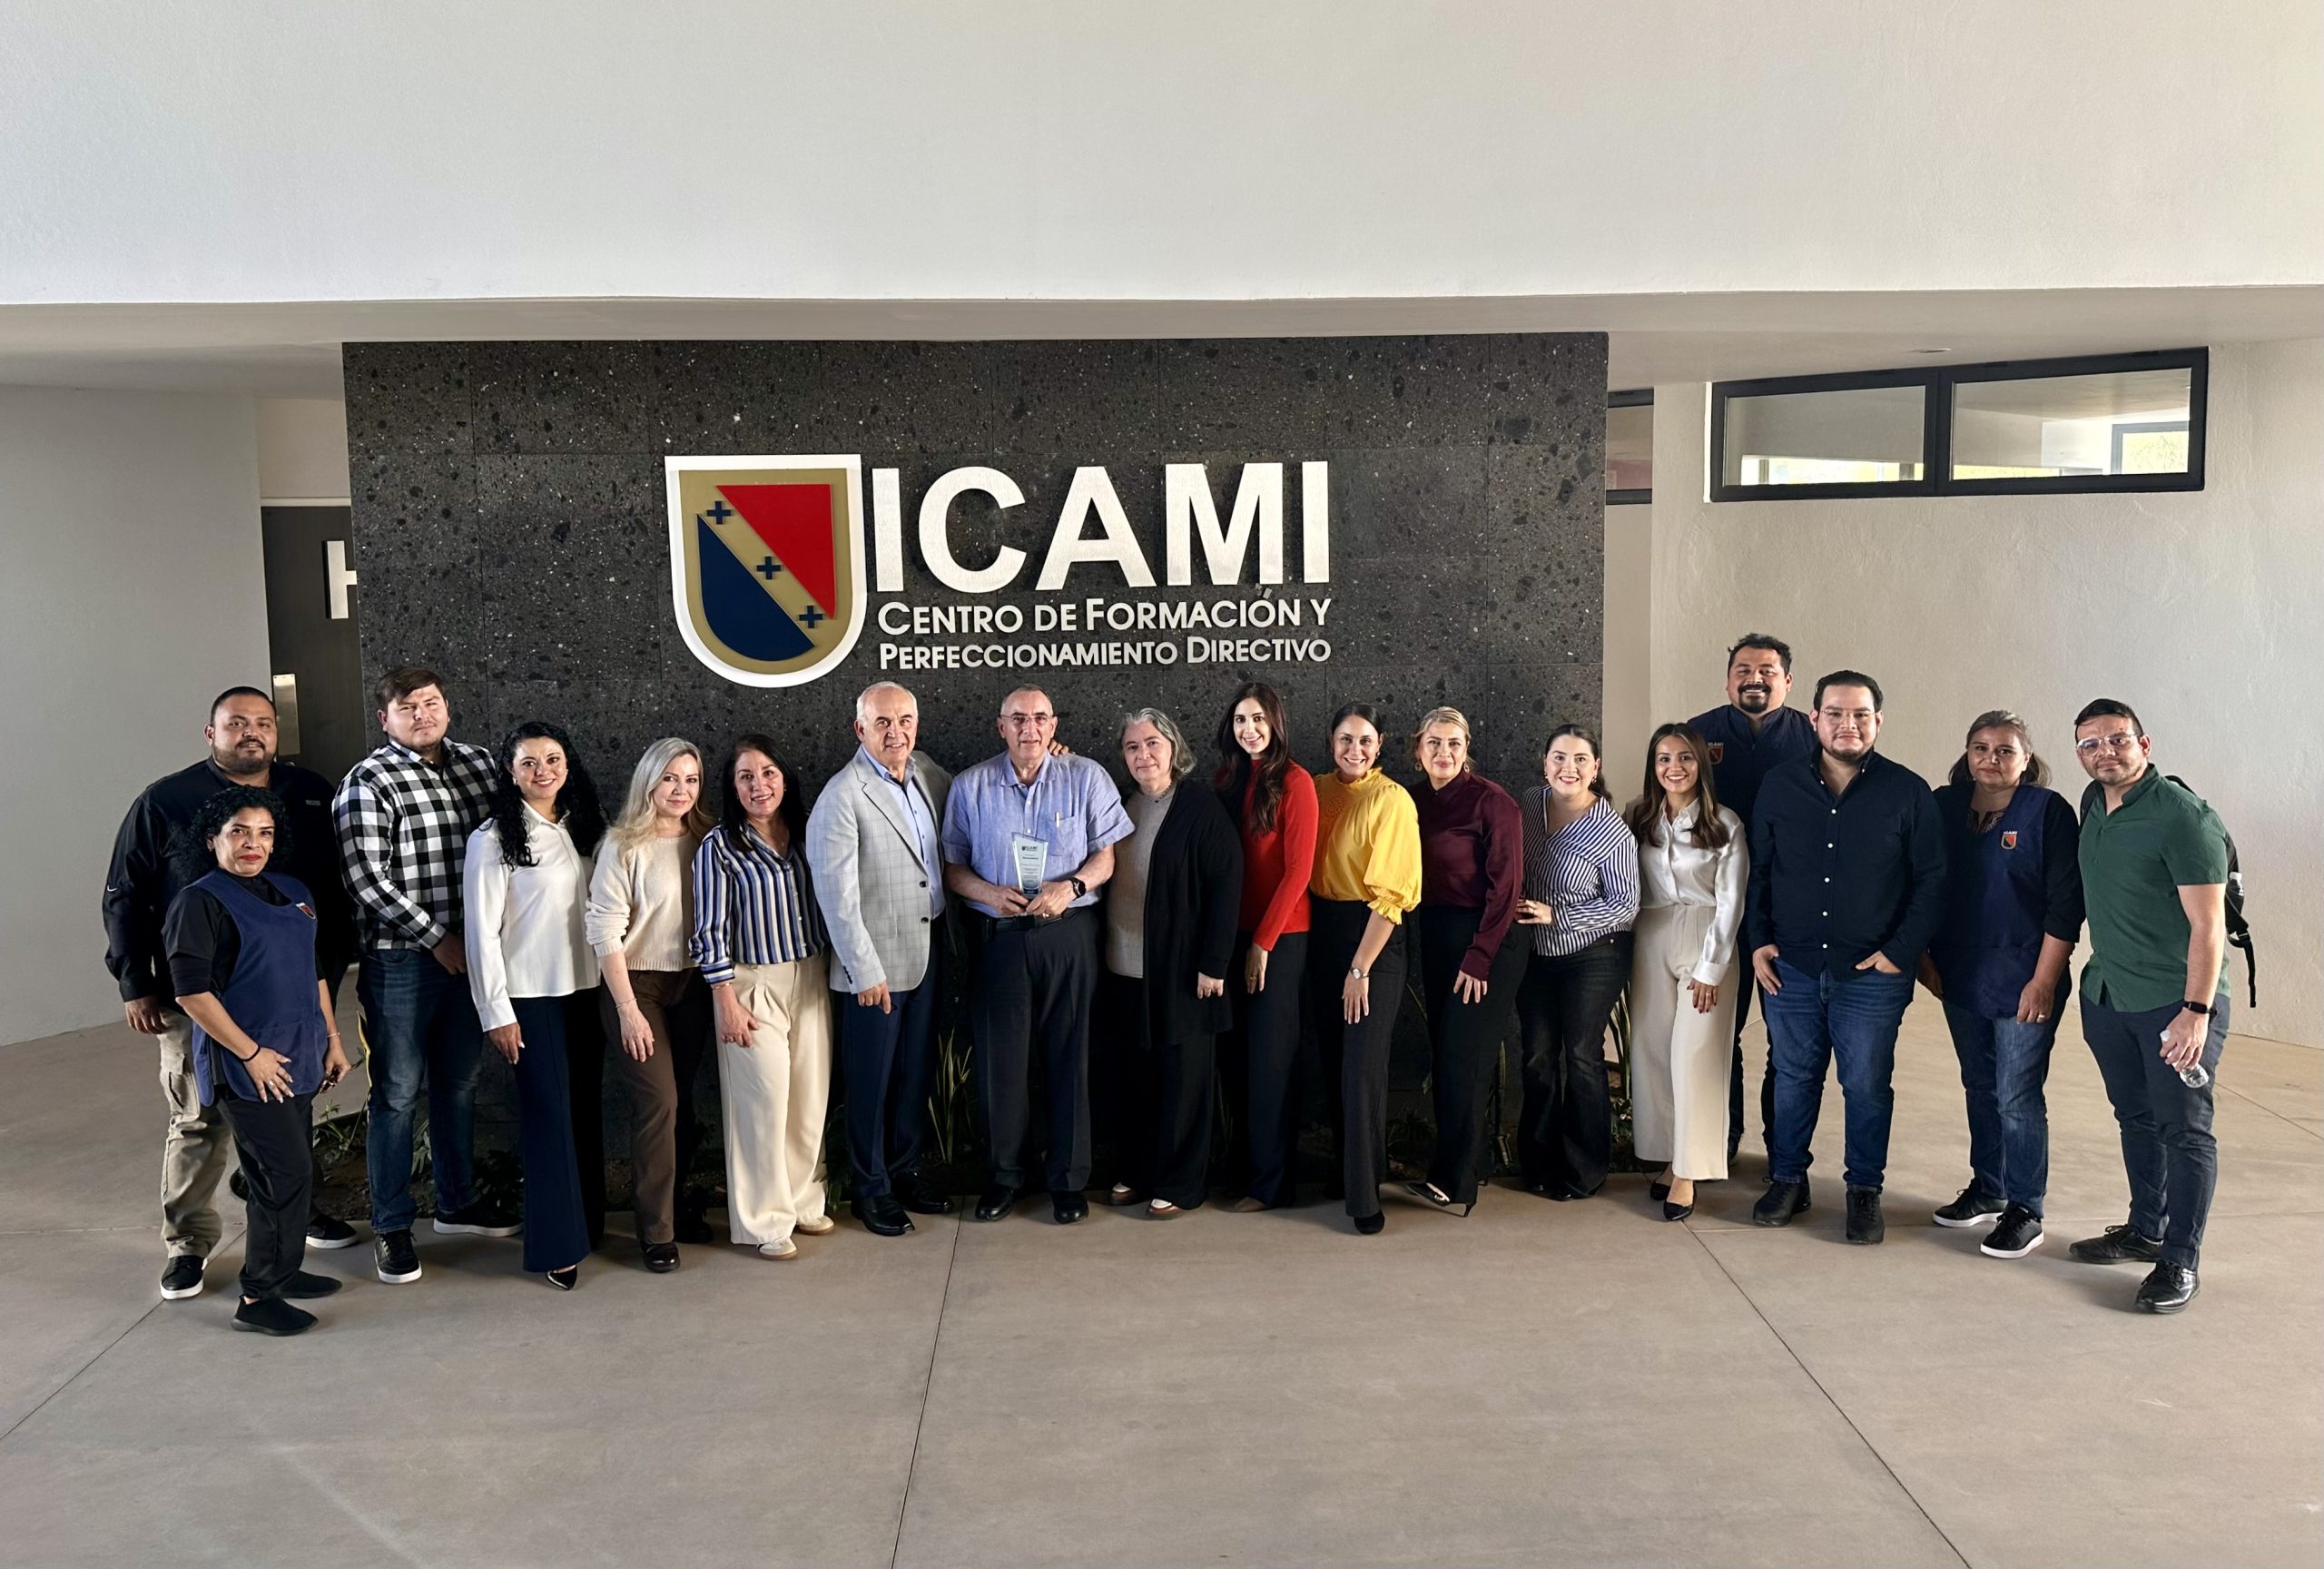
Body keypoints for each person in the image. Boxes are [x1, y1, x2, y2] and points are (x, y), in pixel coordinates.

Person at [103, 686, 358, 1302]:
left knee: (287, 1118)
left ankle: (290, 1228)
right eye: (236, 723)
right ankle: (189, 1244)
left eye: (263, 723)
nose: (251, 732)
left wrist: (326, 1015)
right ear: (210, 733)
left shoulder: (309, 792)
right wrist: (136, 982)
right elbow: (124, 893)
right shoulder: (165, 800)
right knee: (198, 1118)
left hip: (287, 996)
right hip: (198, 994)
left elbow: (325, 890)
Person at [1747, 671, 1945, 1245]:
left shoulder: (1907, 791)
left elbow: (1933, 880)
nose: (1848, 725)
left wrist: (1900, 953)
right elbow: (1759, 871)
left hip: (1872, 974)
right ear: (1814, 719)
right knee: (1793, 1079)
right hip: (1792, 967)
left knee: (1865, 1085)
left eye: (1860, 714)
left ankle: (1864, 1190)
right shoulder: (1780, 785)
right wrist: (1758, 939)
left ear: (1878, 721)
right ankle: (1787, 1179)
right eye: (1835, 713)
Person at [335, 666, 514, 1286]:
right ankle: (391, 1225)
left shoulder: (480, 765)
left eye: (431, 703)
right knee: (397, 1093)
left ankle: (457, 1203)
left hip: (474, 956)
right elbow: (365, 879)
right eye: (407, 707)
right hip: (403, 961)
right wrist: (437, 938)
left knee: (459, 1083)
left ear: (447, 707)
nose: (422, 715)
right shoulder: (368, 781)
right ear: (384, 719)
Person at [163, 787, 352, 1335]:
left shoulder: (293, 892)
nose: (253, 844)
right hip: (247, 1066)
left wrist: (332, 1039)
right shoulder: (198, 903)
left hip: (298, 1053)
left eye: (264, 833)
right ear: (212, 840)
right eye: (239, 832)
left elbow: (314, 971)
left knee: (290, 1171)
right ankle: (258, 1296)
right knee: (282, 1174)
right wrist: (250, 1054)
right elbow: (192, 994)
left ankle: (284, 1271)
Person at [2065, 699, 2232, 1314]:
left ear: (2145, 743)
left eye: (2117, 739)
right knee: (2135, 1117)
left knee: (2184, 1131)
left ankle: (2180, 1259)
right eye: (2090, 744)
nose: (2104, 752)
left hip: (2174, 1004)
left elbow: (2208, 926)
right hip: (2108, 994)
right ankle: (2146, 1229)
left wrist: (2196, 1011)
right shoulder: (2093, 804)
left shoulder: (2184, 818)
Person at [942, 686, 1132, 1227]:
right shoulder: (970, 786)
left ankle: (1068, 1183)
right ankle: (1005, 1178)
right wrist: (987, 892)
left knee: (1071, 1058)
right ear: (1000, 726)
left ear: (1054, 726)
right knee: (1000, 1064)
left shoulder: (1085, 777)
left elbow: (1106, 858)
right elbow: (953, 867)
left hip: (1067, 935)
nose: (1030, 728)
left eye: (1040, 718)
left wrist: (1071, 887)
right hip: (1000, 938)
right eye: (1018, 719)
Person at [1920, 711, 2083, 1260]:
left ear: (2027, 759)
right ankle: (1989, 1186)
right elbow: (1919, 881)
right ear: (1967, 755)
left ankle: (2026, 1208)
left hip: (2026, 976)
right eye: (1981, 748)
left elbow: (2066, 903)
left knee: (2017, 1094)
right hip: (1960, 972)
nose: (1991, 758)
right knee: (1979, 1084)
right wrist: (1923, 957)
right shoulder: (1944, 806)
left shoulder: (2047, 812)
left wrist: (2044, 981)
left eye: (2005, 750)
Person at [805, 682, 958, 1238]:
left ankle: (905, 1170)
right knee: (871, 1083)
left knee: (914, 1072)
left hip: (927, 950)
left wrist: (1048, 754)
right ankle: (871, 1190)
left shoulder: (925, 773)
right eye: (883, 723)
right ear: (860, 729)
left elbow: (970, 795)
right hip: (875, 968)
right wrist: (864, 971)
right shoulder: (842, 796)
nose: (896, 732)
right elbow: (836, 898)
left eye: (905, 720)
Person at [464, 723, 606, 1289]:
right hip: (529, 996)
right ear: (510, 771)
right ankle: (556, 1246)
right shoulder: (493, 838)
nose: (542, 771)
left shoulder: (584, 825)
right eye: (528, 762)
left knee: (583, 1111)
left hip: (586, 990)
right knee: (548, 1119)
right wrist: (496, 1012)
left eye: (552, 759)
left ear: (567, 765)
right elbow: (480, 933)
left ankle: (589, 1226)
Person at [693, 735, 834, 1260]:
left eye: (769, 773)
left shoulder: (808, 831)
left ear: (785, 778)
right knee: (763, 1104)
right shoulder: (719, 846)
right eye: (746, 776)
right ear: (733, 788)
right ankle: (764, 1221)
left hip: (811, 975)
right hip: (751, 984)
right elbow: (709, 930)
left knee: (808, 1098)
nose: (759, 785)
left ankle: (803, 1201)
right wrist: (725, 1000)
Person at [1098, 708, 1242, 1217]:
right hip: (1123, 967)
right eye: (1132, 747)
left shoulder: (1199, 805)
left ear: (1174, 748)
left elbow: (1227, 884)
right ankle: (1138, 1171)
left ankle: (1181, 1184)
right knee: (1136, 1078)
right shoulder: (1120, 804)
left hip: (1183, 971)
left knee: (1185, 1080)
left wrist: (1214, 963)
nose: (1144, 755)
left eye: (1153, 743)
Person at [589, 737, 717, 1271]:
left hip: (693, 984)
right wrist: (627, 1009)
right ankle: (656, 1230)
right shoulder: (622, 845)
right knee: (659, 1102)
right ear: (649, 781)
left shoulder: (709, 839)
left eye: (691, 779)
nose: (681, 790)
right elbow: (604, 930)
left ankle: (678, 1204)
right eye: (670, 778)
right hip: (636, 986)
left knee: (684, 1101)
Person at [1689, 634, 1817, 1168]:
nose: (1754, 679)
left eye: (1767, 670)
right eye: (1743, 669)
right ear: (1727, 681)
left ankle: (1782, 1150)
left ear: (1788, 681)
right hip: (1717, 907)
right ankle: (1723, 1135)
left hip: (1787, 910)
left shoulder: (1814, 736)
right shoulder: (1699, 734)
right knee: (1721, 1032)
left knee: (1788, 1041)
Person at [1622, 723, 1747, 1221]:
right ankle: (1669, 1156)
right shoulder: (1638, 816)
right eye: (1664, 759)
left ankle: (1689, 1172)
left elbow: (1732, 901)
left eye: (1685, 758)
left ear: (1701, 763)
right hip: (1650, 933)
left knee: (1695, 1055)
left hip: (1704, 934)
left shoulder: (1724, 822)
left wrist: (1711, 968)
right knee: (1653, 1052)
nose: (1674, 767)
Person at [1404, 706, 1525, 1217]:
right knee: (1446, 1054)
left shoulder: (1493, 802)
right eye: (1434, 743)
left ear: (1467, 748)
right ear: (1418, 750)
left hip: (1488, 938)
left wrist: (1479, 956)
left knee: (1463, 1057)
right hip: (1437, 934)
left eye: (1454, 743)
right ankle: (1465, 1165)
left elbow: (1507, 888)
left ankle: (1456, 1181)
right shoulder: (1410, 800)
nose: (1444, 752)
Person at [1307, 703, 1421, 1235]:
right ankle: (1352, 1172)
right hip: (1322, 932)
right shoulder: (1316, 789)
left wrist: (1360, 970)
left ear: (1380, 745)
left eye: (1365, 741)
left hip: (1373, 936)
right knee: (1334, 1062)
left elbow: (1391, 896)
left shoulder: (1391, 799)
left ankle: (1364, 1199)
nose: (1355, 750)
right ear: (1331, 742)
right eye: (1346, 739)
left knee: (1362, 1067)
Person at [1513, 723, 1640, 1201]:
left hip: (1593, 955)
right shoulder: (1530, 803)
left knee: (1583, 1056)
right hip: (1535, 954)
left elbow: (1626, 905)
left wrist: (1558, 914)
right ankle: (1538, 1162)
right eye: (1560, 758)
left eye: (1580, 759)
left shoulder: (1611, 830)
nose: (1569, 768)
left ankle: (1584, 1169)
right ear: (1545, 764)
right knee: (1537, 1056)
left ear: (1596, 767)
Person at [1212, 682, 1317, 1212]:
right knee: (1237, 1061)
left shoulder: (1296, 781)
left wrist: (1262, 943)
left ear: (1275, 722)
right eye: (1240, 720)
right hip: (1232, 937)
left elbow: (1299, 872)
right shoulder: (1228, 780)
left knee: (1272, 1063)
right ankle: (1243, 1170)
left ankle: (1272, 1185)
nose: (1249, 730)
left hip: (1280, 939)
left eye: (1257, 719)